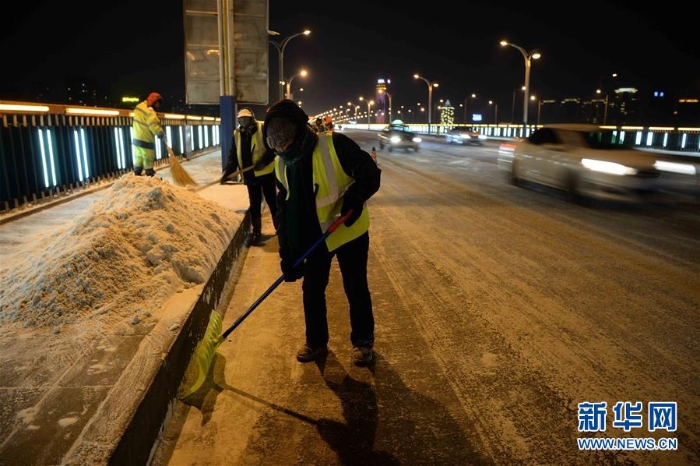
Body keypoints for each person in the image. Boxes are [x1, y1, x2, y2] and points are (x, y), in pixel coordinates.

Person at [263, 99, 381, 366]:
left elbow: (370, 174)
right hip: (315, 237)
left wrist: (355, 199)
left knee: (355, 287)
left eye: (284, 138)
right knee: (312, 289)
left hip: (347, 230)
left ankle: (363, 342)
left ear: (300, 129)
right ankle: (316, 342)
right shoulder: (282, 164)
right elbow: (284, 213)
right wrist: (287, 254)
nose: (281, 146)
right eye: (275, 142)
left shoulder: (334, 145)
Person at [221, 107, 278, 247]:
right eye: (241, 119)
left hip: (266, 174)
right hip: (250, 176)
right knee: (254, 204)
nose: (244, 121)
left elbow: (273, 149)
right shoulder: (237, 134)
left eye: (246, 118)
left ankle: (280, 229)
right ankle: (257, 232)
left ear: (251, 118)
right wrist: (227, 172)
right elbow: (233, 156)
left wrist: (263, 162)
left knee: (272, 201)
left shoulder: (262, 129)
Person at [132, 92, 165, 177]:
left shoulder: (139, 106)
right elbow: (153, 125)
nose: (158, 106)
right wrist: (160, 133)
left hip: (136, 138)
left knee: (138, 157)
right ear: (154, 101)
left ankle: (137, 174)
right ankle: (150, 175)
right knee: (148, 159)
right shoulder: (150, 112)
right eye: (158, 103)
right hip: (146, 140)